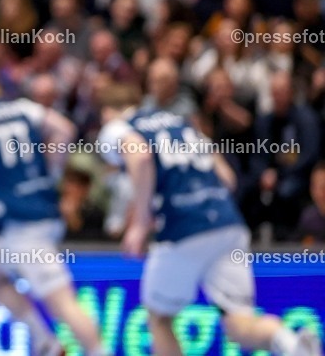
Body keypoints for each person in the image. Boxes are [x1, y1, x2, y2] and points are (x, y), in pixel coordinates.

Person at [97, 84, 321, 356]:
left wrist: (140, 222)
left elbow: (140, 156)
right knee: (239, 325)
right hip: (227, 222)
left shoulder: (118, 127)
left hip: (182, 228)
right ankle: (291, 344)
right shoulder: (183, 124)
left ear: (108, 112)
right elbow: (227, 178)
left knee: (159, 318)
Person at [0, 58, 107, 356]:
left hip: (22, 224)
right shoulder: (22, 107)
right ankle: (45, 343)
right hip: (39, 211)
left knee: (61, 301)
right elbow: (63, 129)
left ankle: (98, 351)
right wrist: (50, 172)